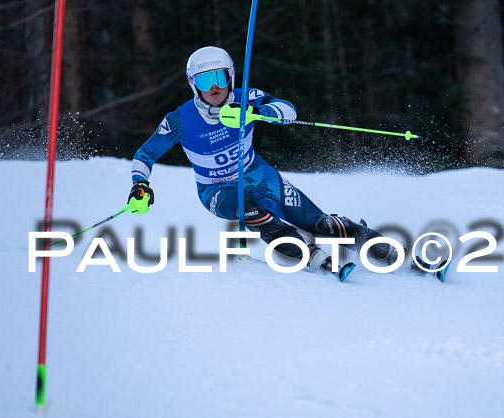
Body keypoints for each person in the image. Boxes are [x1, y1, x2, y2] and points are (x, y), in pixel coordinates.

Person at [126, 46, 405, 278]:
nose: (213, 88)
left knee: (322, 225)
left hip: (260, 176)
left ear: (231, 77)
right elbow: (145, 155)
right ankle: (307, 253)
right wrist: (140, 185)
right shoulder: (179, 120)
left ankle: (382, 248)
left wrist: (254, 112)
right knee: (250, 210)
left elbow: (289, 111)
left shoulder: (247, 97)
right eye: (203, 81)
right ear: (192, 85)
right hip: (216, 189)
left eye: (220, 79)